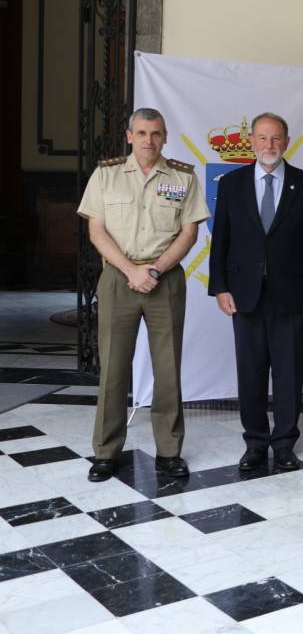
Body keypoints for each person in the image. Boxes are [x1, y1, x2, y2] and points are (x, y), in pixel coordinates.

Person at [77, 108, 207, 481]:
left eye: (156, 133)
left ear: (165, 137)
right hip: (119, 279)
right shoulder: (106, 174)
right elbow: (97, 232)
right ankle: (105, 451)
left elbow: (189, 233)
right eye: (142, 132)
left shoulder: (183, 177)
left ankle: (169, 451)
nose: (149, 140)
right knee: (114, 368)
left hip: (164, 280)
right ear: (128, 136)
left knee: (167, 369)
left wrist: (154, 270)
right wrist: (132, 270)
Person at [209, 112, 303, 472]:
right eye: (262, 138)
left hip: (292, 295)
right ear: (252, 142)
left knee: (289, 374)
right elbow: (221, 240)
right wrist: (219, 287)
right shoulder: (231, 183)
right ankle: (256, 443)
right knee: (251, 371)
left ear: (287, 142)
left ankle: (286, 444)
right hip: (244, 294)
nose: (269, 145)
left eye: (276, 138)